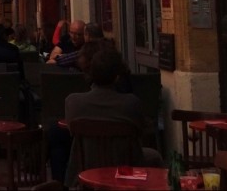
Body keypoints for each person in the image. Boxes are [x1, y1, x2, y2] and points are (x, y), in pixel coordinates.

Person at [62, 47, 161, 186]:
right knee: (154, 156)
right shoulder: (131, 103)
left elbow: (71, 131)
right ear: (117, 77)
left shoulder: (73, 102)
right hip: (126, 168)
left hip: (86, 169)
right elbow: (141, 131)